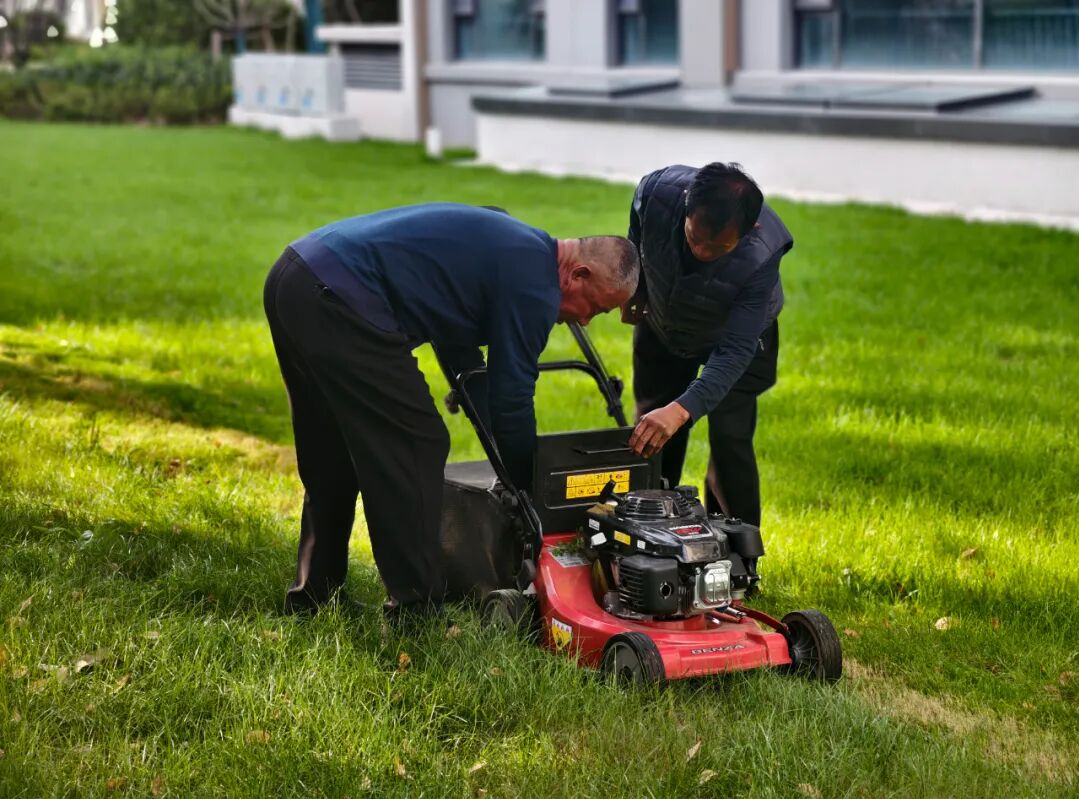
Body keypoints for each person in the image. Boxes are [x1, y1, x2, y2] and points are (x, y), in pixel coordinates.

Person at [263, 203, 639, 619]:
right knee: (416, 442)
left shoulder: (515, 247)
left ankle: (313, 595)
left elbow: (469, 364)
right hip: (341, 298)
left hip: (295, 276)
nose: (586, 321)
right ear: (578, 274)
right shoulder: (535, 283)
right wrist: (527, 483)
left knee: (330, 449)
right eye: (597, 308)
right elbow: (511, 397)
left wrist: (506, 459)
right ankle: (415, 609)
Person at [624, 163, 793, 529]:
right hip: (665, 323)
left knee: (730, 441)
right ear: (686, 208)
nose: (702, 250)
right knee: (653, 429)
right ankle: (650, 531)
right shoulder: (657, 192)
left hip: (736, 338)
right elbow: (637, 229)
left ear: (751, 231)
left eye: (718, 246)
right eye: (694, 237)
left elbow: (735, 351)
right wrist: (637, 286)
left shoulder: (762, 253)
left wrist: (683, 409)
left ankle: (738, 552)